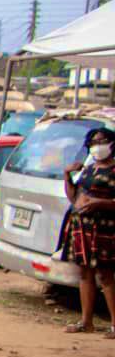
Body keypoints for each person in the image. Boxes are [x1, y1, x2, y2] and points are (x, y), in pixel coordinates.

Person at [61, 128, 115, 338]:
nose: (97, 146)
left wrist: (98, 203)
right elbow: (74, 197)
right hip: (83, 227)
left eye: (102, 141)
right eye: (93, 142)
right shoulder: (88, 169)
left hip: (104, 228)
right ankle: (86, 322)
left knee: (106, 275)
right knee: (85, 273)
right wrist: (67, 176)